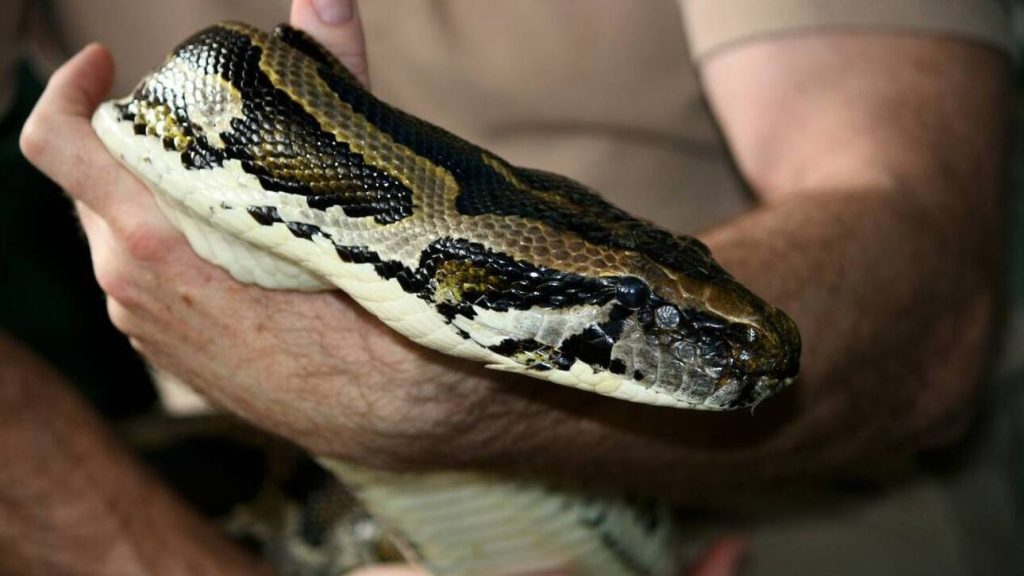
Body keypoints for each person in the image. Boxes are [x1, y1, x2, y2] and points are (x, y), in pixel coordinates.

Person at [7, 0, 1016, 574]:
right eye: (626, 310)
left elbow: (924, 283)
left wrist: (414, 408)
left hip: (806, 505)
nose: (717, 340)